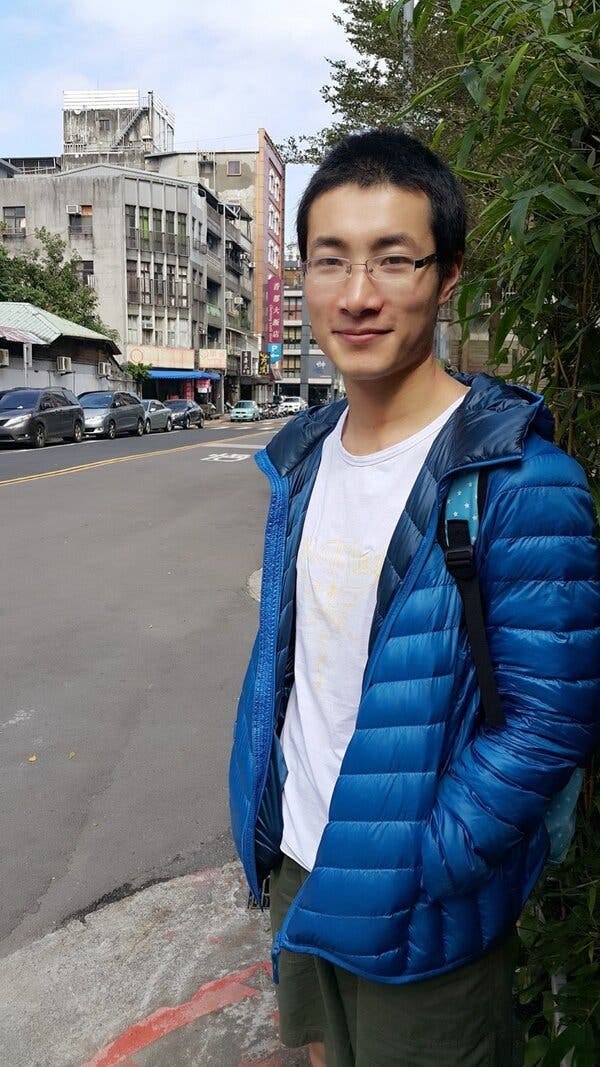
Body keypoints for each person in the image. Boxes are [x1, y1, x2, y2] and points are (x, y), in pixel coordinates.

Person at [229, 129, 600, 1067]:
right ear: (303, 277)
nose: (357, 294)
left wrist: (435, 858)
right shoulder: (302, 459)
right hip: (302, 863)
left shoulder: (521, 479)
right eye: (330, 260)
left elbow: (552, 721)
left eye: (394, 260)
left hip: (422, 893)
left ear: (447, 276)